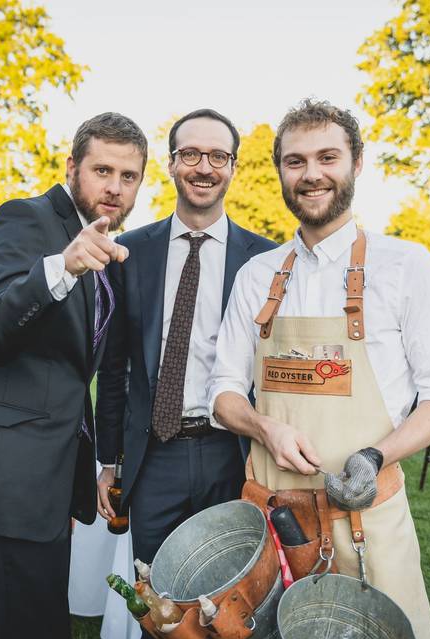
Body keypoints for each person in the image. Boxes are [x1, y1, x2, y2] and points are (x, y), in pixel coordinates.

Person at [209, 99, 430, 639]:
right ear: (280, 170)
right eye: (295, 161)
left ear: (356, 163)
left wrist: (377, 456)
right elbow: (224, 392)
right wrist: (264, 427)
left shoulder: (406, 265)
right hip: (272, 522)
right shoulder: (257, 276)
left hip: (366, 521)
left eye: (327, 157)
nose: (312, 175)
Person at [0, 112, 147, 639]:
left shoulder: (98, 244)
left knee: (38, 621)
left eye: (128, 176)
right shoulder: (26, 220)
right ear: (71, 168)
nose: (114, 187)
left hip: (43, 477)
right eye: (102, 170)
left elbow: (69, 368)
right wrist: (59, 269)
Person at [95, 109, 277, 580]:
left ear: (233, 167)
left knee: (229, 592)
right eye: (191, 153)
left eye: (219, 155)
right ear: (172, 163)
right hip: (154, 457)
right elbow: (115, 368)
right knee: (156, 595)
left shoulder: (266, 260)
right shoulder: (130, 251)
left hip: (233, 454)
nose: (204, 167)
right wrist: (109, 460)